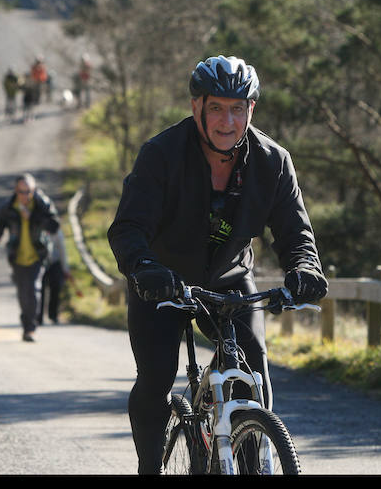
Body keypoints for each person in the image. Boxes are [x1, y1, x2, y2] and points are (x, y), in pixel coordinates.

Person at [107, 55, 328, 474]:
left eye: (237, 108)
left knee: (253, 371)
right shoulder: (160, 154)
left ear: (251, 110)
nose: (227, 120)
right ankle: (150, 468)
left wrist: (305, 269)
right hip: (162, 281)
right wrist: (144, 267)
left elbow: (296, 233)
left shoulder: (272, 161)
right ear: (196, 107)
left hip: (229, 279)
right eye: (216, 108)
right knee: (155, 379)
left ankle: (243, 454)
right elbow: (127, 228)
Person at [0, 173, 60, 342]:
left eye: (28, 192)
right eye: (21, 191)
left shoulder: (43, 204)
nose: (25, 196)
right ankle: (26, 320)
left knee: (33, 289)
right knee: (22, 293)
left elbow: (54, 225)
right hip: (17, 255)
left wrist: (32, 217)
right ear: (16, 190)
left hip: (38, 254)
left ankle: (30, 328)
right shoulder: (9, 206)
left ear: (34, 190)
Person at [38, 225, 73, 326]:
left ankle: (53, 315)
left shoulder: (57, 231)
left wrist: (65, 269)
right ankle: (38, 317)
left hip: (55, 263)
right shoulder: (37, 228)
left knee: (56, 287)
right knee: (40, 289)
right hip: (40, 262)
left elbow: (62, 250)